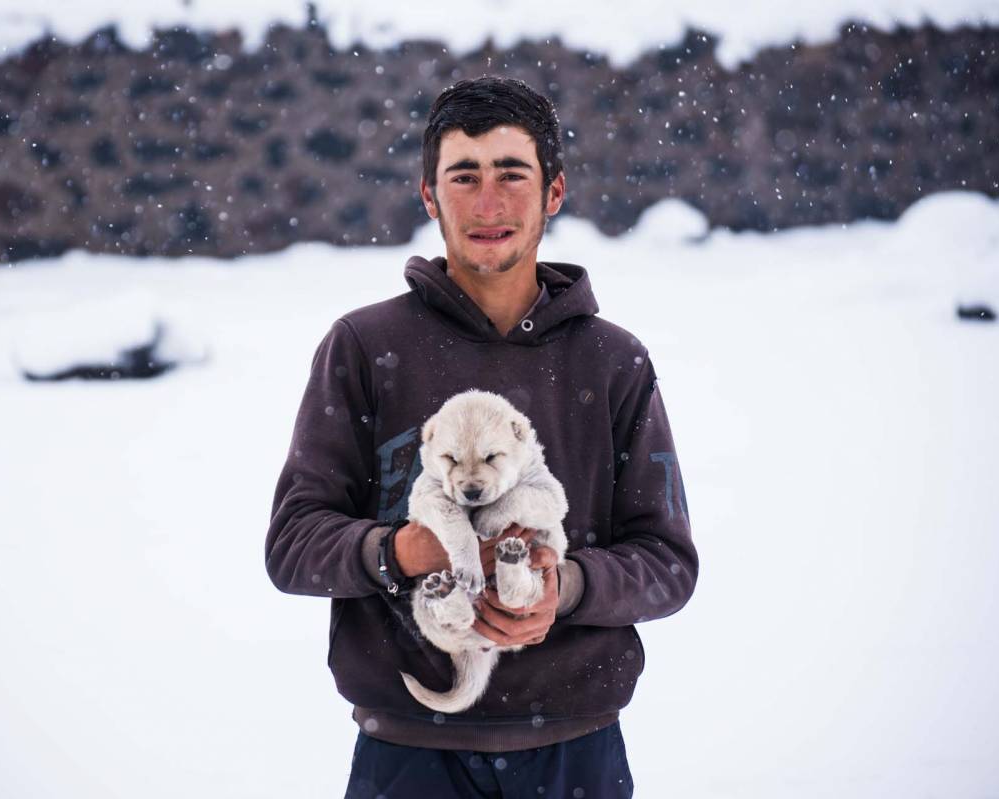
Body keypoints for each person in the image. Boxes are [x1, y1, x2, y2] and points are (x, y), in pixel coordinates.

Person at [266, 76, 698, 798]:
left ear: (554, 192)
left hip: (576, 751)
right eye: (463, 177)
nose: (489, 203)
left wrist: (566, 588)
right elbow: (292, 544)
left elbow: (668, 561)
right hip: (407, 753)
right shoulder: (364, 347)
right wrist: (401, 550)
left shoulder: (613, 362)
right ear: (430, 196)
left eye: (512, 174)